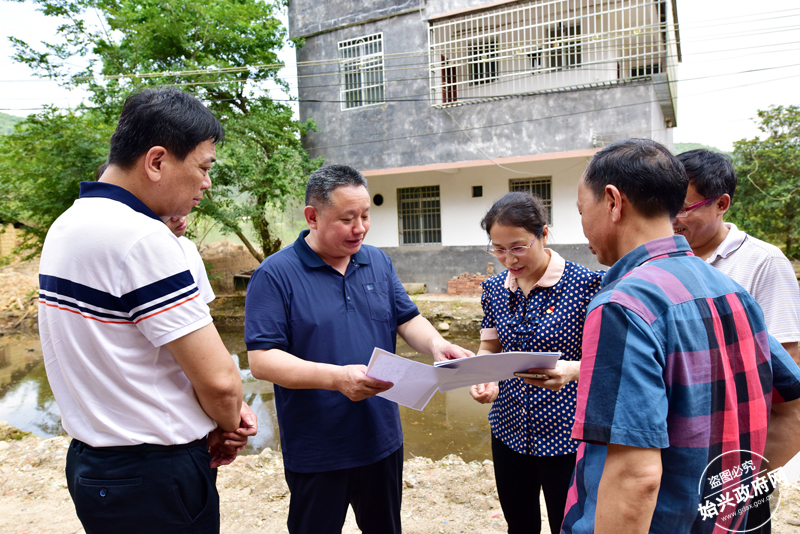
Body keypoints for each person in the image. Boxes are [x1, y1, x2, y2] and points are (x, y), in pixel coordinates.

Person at [38, 87, 256, 534]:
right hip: (154, 474)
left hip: (94, 466)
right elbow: (219, 380)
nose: (206, 183)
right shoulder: (142, 237)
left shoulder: (67, 225)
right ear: (156, 161)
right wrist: (227, 422)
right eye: (203, 167)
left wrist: (219, 414)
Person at [560, 138, 800, 533]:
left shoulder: (621, 305)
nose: (583, 223)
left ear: (613, 202)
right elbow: (792, 408)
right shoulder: (731, 291)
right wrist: (723, 497)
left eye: (582, 210)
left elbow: (636, 476)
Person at [244, 164, 472, 534]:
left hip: (380, 438)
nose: (360, 227)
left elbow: (407, 318)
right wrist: (335, 378)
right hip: (318, 446)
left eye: (366, 215)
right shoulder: (275, 275)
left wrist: (437, 344)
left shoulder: (377, 261)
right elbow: (262, 360)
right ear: (312, 216)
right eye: (347, 218)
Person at [468, 192, 603, 534]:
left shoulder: (586, 285)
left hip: (566, 435)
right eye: (498, 249)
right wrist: (486, 378)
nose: (508, 259)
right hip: (509, 428)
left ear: (543, 234)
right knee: (520, 523)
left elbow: (605, 358)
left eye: (518, 247)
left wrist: (572, 370)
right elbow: (490, 346)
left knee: (567, 524)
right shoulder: (495, 290)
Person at [673, 149, 800, 366]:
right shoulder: (661, 259)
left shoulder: (764, 262)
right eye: (665, 207)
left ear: (721, 204)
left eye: (683, 209)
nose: (672, 219)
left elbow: (788, 358)